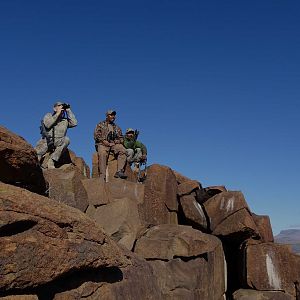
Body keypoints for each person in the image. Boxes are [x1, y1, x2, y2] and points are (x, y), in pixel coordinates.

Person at [35, 101, 77, 169]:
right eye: (59, 105)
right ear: (54, 108)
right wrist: (57, 113)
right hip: (46, 140)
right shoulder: (48, 115)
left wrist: (68, 110)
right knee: (37, 156)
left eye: (62, 106)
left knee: (66, 140)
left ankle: (51, 161)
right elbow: (48, 125)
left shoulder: (65, 121)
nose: (61, 108)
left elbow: (74, 123)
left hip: (58, 141)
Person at [94, 109, 127, 180]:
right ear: (107, 116)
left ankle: (119, 171)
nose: (113, 116)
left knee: (123, 150)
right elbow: (96, 135)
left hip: (113, 145)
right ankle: (102, 176)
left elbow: (121, 138)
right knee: (102, 154)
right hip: (102, 144)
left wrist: (117, 141)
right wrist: (103, 141)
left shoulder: (117, 127)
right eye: (111, 115)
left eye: (114, 115)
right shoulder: (100, 124)